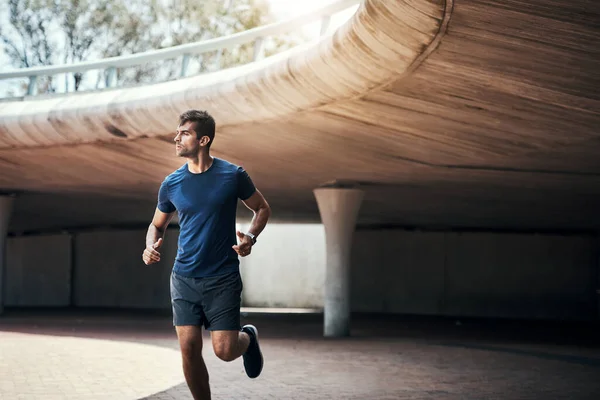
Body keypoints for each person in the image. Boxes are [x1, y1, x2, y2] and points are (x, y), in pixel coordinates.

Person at [142, 109, 271, 400]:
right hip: (184, 277)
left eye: (183, 133)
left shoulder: (232, 175)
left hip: (222, 277)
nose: (176, 138)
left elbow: (262, 208)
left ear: (203, 139)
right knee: (188, 349)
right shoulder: (171, 183)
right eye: (177, 132)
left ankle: (247, 339)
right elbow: (156, 225)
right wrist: (150, 245)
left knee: (224, 351)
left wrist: (250, 237)